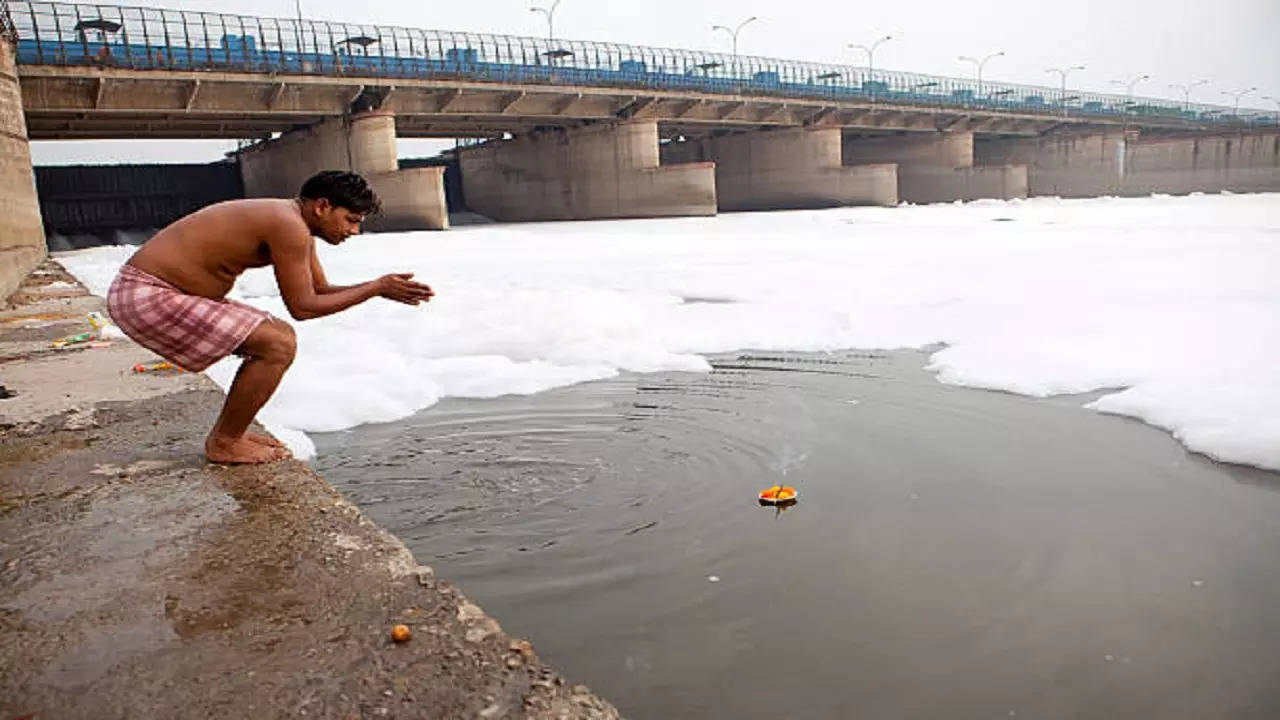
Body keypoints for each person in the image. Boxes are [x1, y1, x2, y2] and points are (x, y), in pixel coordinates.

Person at [107, 171, 434, 464]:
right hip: (146, 295)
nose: (354, 230)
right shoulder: (288, 225)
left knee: (279, 337)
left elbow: (319, 289)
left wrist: (378, 287)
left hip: (156, 293)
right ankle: (224, 441)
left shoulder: (295, 222)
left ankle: (230, 434)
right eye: (350, 219)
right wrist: (376, 288)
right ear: (322, 207)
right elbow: (303, 307)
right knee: (276, 344)